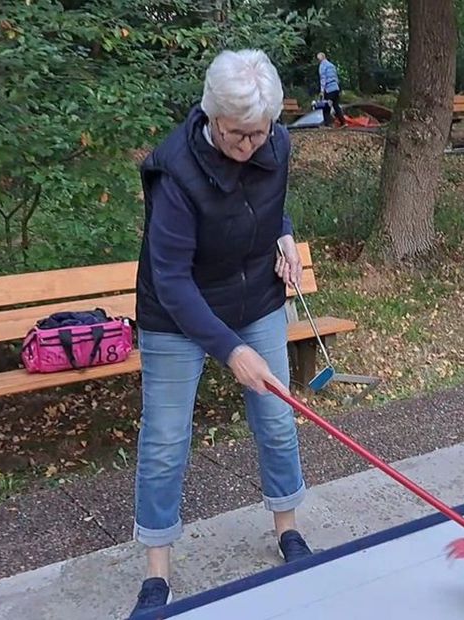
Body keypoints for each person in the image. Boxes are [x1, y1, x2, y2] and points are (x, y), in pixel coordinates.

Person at [128, 49, 312, 617]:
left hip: (254, 297)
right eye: (236, 135)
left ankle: (287, 531)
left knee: (278, 422)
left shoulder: (275, 144)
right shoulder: (175, 171)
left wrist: (282, 233)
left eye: (258, 134)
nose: (247, 147)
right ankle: (157, 575)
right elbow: (173, 280)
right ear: (211, 115)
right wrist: (229, 350)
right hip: (175, 312)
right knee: (164, 443)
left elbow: (262, 204)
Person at [316, 52, 346, 127]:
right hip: (336, 88)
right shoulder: (332, 65)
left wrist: (322, 91)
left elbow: (323, 79)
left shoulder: (322, 66)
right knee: (336, 106)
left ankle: (327, 124)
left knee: (326, 107)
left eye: (318, 59)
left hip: (329, 89)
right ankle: (343, 122)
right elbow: (336, 77)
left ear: (320, 59)